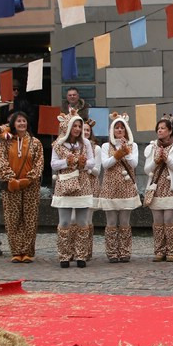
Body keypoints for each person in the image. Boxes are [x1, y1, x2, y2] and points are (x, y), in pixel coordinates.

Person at [0, 111, 43, 263]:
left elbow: (39, 163)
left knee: (29, 218)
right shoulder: (6, 142)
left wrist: (28, 179)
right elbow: (1, 162)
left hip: (30, 186)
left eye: (24, 121)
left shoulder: (36, 143)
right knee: (12, 218)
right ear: (13, 124)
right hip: (11, 185)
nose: (22, 124)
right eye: (18, 121)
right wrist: (11, 179)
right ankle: (16, 250)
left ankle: (27, 251)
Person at [50, 113, 96, 268]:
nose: (77, 129)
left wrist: (83, 163)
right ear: (68, 127)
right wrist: (66, 162)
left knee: (82, 221)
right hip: (64, 184)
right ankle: (64, 255)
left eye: (79, 126)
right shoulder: (58, 144)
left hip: (82, 183)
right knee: (64, 221)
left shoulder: (86, 144)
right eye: (74, 126)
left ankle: (81, 254)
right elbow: (53, 164)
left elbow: (92, 162)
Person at [144, 116, 173, 262]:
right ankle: (159, 250)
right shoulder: (152, 147)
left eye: (163, 128)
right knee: (157, 221)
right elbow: (146, 169)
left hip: (171, 187)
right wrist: (156, 161)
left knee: (169, 219)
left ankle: (172, 251)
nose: (160, 131)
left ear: (170, 131)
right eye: (158, 128)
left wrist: (167, 159)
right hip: (156, 186)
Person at [100, 113, 141, 263]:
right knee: (111, 222)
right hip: (110, 187)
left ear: (126, 130)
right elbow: (105, 164)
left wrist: (126, 152)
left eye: (122, 127)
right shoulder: (106, 146)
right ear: (112, 130)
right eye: (116, 127)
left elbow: (134, 164)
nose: (119, 130)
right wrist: (118, 154)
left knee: (124, 222)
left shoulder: (133, 145)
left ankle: (124, 251)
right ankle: (111, 252)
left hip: (126, 186)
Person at [78, 119, 101, 265]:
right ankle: (76, 249)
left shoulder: (96, 148)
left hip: (91, 184)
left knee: (87, 219)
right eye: (83, 130)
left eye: (88, 130)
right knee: (75, 219)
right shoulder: (75, 146)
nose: (85, 132)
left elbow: (97, 171)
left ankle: (87, 250)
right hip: (77, 184)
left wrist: (85, 166)